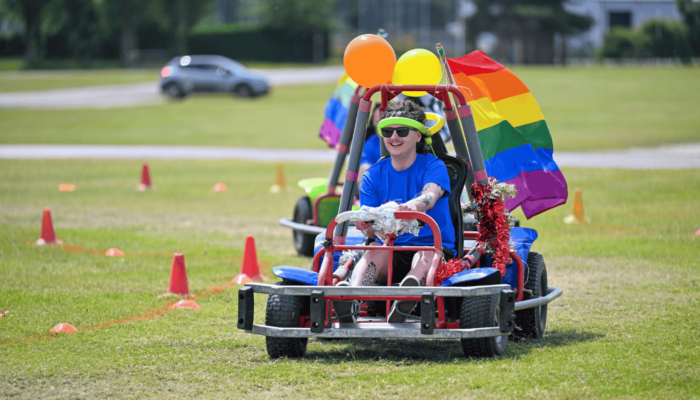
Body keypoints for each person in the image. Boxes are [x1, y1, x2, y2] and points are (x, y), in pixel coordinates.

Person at [337, 99, 455, 323]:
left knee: (425, 253)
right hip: (392, 249)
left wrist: (414, 206)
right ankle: (351, 297)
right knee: (373, 249)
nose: (394, 137)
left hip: (434, 249)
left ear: (418, 136)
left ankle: (408, 294)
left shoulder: (434, 166)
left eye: (402, 131)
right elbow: (372, 233)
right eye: (388, 131)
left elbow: (431, 194)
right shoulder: (372, 175)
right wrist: (366, 227)